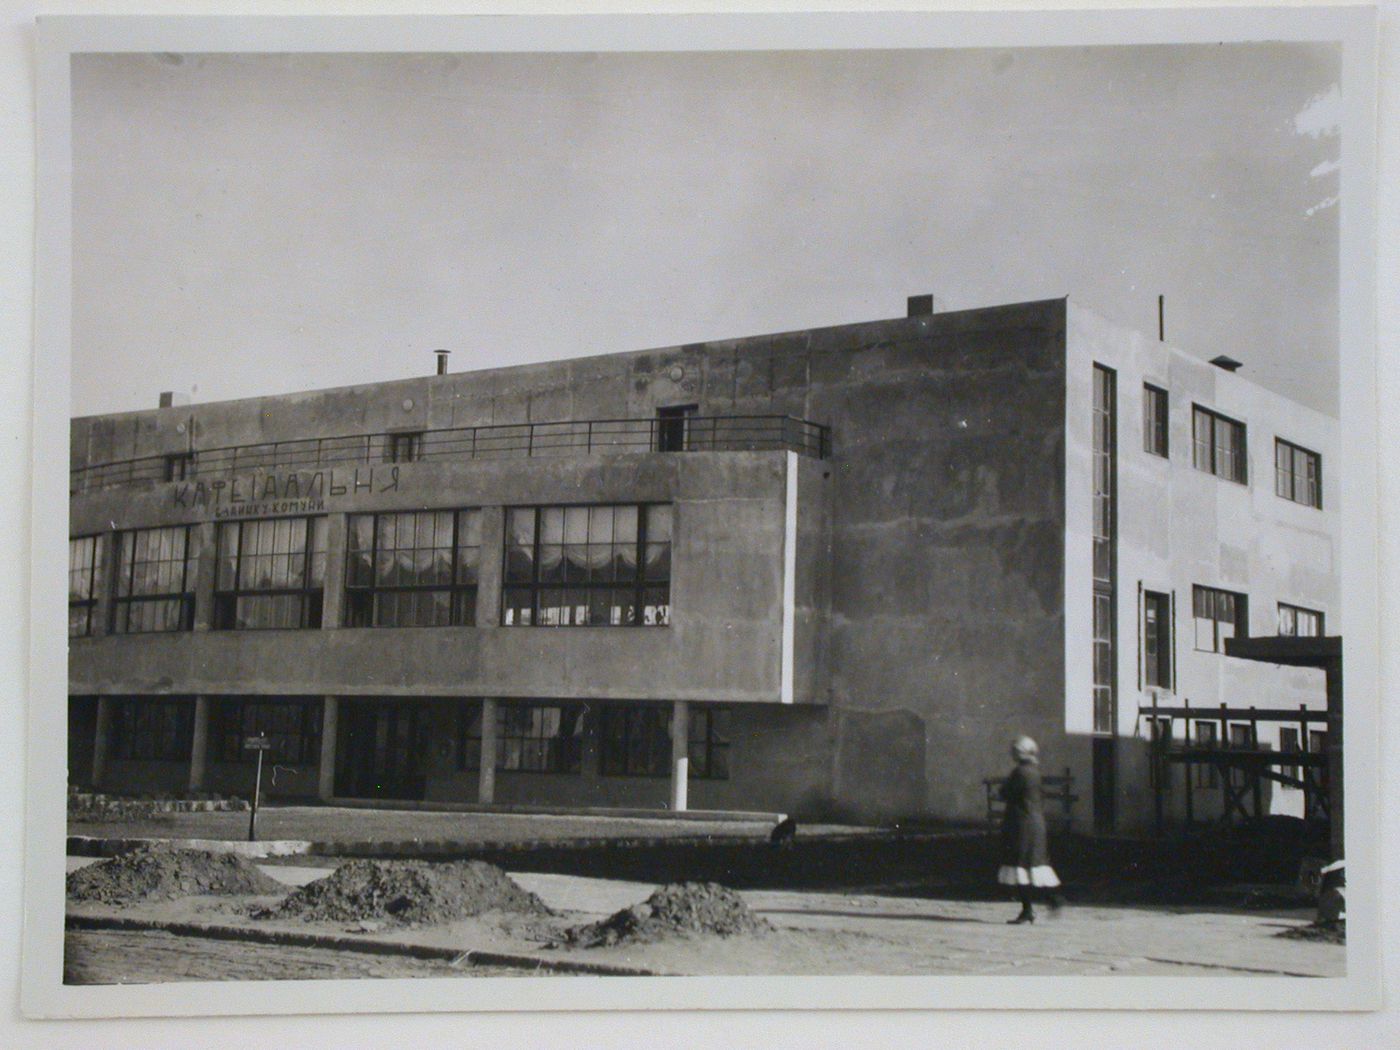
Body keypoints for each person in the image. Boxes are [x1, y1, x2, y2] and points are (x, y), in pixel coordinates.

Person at [997, 735, 1064, 924]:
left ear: (1020, 753)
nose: (1012, 754)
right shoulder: (1034, 771)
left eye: (1014, 750)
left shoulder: (1020, 772)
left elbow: (1005, 792)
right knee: (1032, 866)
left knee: (1021, 866)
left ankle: (1038, 905)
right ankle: (1046, 901)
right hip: (1034, 823)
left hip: (1021, 824)